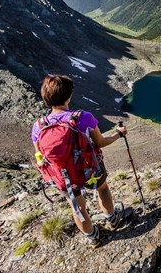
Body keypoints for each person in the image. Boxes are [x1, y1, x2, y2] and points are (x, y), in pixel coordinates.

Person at [31, 74, 127, 248]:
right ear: (68, 96)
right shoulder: (83, 117)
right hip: (89, 169)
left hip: (64, 177)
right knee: (102, 188)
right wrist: (118, 134)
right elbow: (100, 142)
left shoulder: (39, 126)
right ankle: (112, 219)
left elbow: (40, 156)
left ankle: (93, 237)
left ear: (46, 98)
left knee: (77, 208)